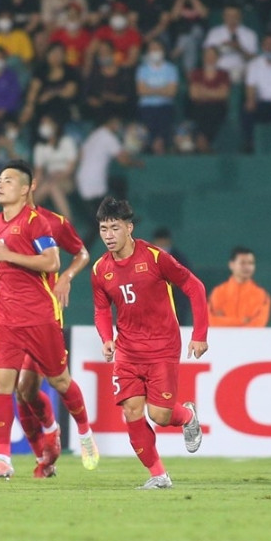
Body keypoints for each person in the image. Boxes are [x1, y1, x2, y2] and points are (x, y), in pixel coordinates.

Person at [0, 160, 90, 479]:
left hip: (40, 315)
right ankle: (3, 458)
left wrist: (65, 277)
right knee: (3, 384)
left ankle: (74, 432)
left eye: (7, 180)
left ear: (27, 188)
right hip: (4, 317)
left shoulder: (42, 222)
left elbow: (53, 262)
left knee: (50, 383)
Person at [90, 197, 209, 489]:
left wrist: (200, 335)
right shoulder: (99, 270)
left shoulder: (155, 257)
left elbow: (195, 287)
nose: (108, 235)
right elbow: (102, 309)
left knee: (160, 415)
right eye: (103, 228)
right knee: (131, 410)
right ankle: (158, 475)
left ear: (129, 228)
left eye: (114, 228)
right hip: (128, 351)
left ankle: (187, 415)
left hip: (162, 347)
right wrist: (107, 339)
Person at [73, 117, 141, 248]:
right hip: (94, 185)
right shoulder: (108, 137)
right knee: (98, 222)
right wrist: (137, 163)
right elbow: (123, 161)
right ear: (112, 122)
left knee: (118, 184)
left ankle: (124, 216)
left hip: (83, 181)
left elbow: (81, 155)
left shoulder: (95, 134)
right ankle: (82, 252)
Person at [208, 246, 271, 327]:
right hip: (223, 339)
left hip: (251, 339)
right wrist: (242, 321)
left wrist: (226, 321)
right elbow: (212, 321)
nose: (247, 267)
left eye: (251, 263)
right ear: (231, 265)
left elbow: (258, 324)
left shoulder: (262, 295)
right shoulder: (218, 292)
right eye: (242, 263)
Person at [186, 46, 231, 153]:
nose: (210, 58)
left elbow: (223, 94)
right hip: (199, 108)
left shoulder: (223, 74)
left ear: (217, 58)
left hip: (217, 109)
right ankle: (203, 144)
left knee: (213, 112)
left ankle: (203, 142)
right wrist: (213, 92)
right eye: (207, 55)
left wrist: (204, 91)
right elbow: (194, 95)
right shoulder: (196, 73)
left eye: (212, 56)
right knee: (200, 112)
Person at [32, 115, 77, 220]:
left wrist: (58, 175)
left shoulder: (66, 141)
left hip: (66, 179)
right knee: (50, 186)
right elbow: (38, 173)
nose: (44, 126)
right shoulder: (40, 147)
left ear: (55, 126)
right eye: (42, 124)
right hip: (49, 179)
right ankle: (68, 223)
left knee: (51, 185)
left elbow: (71, 168)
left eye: (47, 123)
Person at [202, 5, 258, 84]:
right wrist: (221, 48)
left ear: (240, 17)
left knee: (245, 73)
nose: (231, 18)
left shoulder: (250, 34)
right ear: (223, 17)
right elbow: (207, 54)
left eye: (234, 15)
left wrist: (239, 48)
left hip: (240, 69)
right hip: (219, 69)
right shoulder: (214, 32)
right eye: (228, 15)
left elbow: (253, 58)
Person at [153, 227, 193, 325]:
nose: (161, 245)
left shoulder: (179, 257)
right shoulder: (149, 256)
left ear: (168, 241)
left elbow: (185, 278)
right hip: (154, 301)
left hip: (177, 301)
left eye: (163, 242)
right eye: (159, 242)